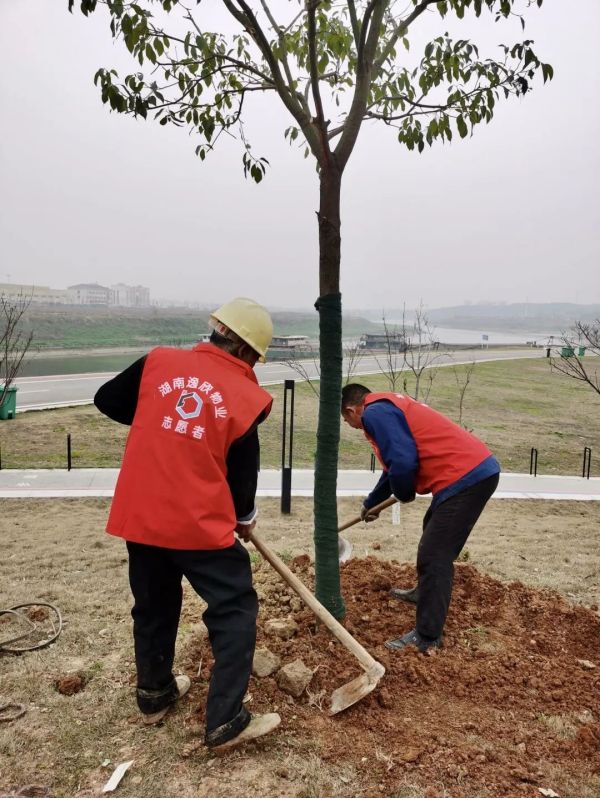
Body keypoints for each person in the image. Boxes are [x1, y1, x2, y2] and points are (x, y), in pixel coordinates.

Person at [94, 298, 281, 751]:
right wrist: (244, 516)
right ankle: (226, 721)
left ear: (216, 330)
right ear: (250, 354)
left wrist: (160, 422)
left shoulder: (159, 361)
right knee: (234, 608)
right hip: (197, 523)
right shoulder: (245, 395)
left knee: (154, 602)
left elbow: (107, 399)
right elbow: (243, 469)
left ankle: (154, 694)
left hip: (143, 515)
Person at [341, 383, 500, 653]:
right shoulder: (386, 407)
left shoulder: (374, 414)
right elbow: (394, 467)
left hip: (465, 476)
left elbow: (403, 463)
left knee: (435, 554)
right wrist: (372, 503)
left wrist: (404, 493)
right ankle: (424, 593)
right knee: (432, 530)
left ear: (351, 410)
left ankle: (427, 637)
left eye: (347, 421)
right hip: (469, 472)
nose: (351, 426)